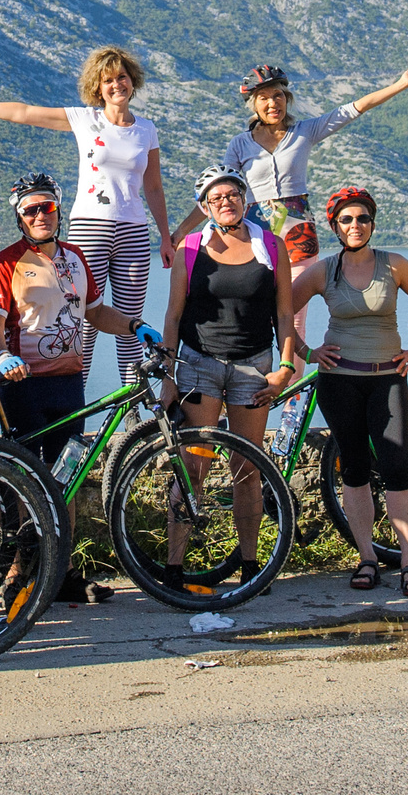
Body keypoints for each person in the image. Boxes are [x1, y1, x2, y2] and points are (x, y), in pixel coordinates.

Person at [0, 45, 171, 386]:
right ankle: (75, 400)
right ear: (98, 87)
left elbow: (153, 188)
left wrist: (165, 237)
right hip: (89, 229)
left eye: (122, 77)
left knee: (130, 323)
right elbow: (24, 112)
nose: (116, 85)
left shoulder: (146, 129)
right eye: (108, 80)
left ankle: (134, 415)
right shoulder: (86, 120)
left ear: (132, 81)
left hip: (134, 233)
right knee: (81, 320)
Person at [159, 165, 300, 591]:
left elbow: (284, 314)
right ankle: (173, 568)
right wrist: (168, 375)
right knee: (193, 469)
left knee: (247, 469)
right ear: (204, 207)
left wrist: (285, 368)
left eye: (232, 195)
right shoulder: (189, 248)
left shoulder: (271, 245)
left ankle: (251, 566)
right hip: (199, 364)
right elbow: (173, 315)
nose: (225, 202)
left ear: (244, 199)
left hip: (252, 368)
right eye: (215, 198)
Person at [286, 186, 408, 597]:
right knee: (354, 469)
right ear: (334, 226)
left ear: (372, 223)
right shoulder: (322, 271)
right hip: (340, 380)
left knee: (398, 469)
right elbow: (282, 315)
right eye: (346, 220)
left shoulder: (395, 265)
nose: (355, 225)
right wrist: (309, 352)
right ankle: (366, 557)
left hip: (387, 379)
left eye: (362, 218)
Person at [177, 63, 408, 263]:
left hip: (298, 230)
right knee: (260, 310)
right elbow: (221, 194)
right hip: (255, 232)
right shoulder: (239, 144)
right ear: (253, 105)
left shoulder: (305, 131)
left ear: (286, 98)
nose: (272, 103)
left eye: (278, 95)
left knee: (297, 314)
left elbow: (354, 108)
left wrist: (401, 85)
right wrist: (179, 234)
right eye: (264, 97)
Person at [0, 173, 139, 481]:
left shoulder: (76, 256)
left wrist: (135, 325)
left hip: (69, 385)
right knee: (24, 475)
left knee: (66, 475)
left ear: (58, 211)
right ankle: (23, 530)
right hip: (25, 383)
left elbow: (96, 313)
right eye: (30, 210)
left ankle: (64, 531)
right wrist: (1, 356)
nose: (40, 215)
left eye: (48, 207)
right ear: (20, 218)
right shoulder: (6, 262)